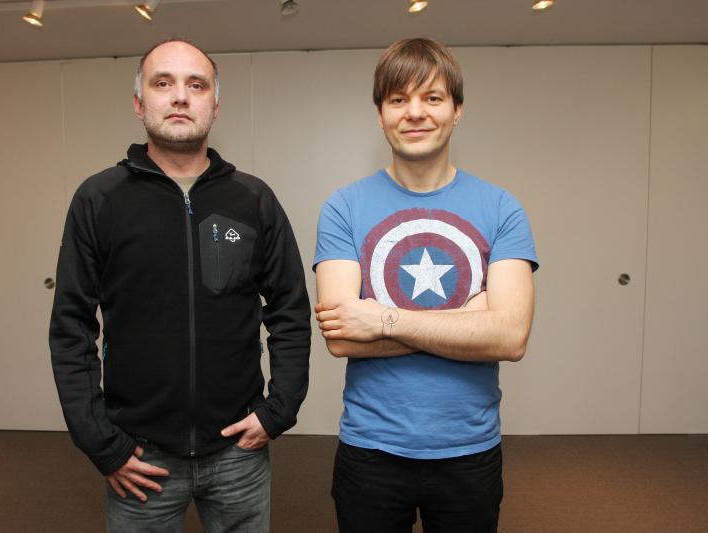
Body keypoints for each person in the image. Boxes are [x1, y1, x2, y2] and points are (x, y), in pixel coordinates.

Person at [49, 38, 311, 533]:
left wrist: (278, 410)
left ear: (215, 105)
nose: (180, 96)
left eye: (196, 85)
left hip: (238, 450)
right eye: (162, 83)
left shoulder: (253, 199)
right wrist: (102, 444)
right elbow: (71, 328)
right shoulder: (99, 200)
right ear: (139, 102)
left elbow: (290, 310)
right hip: (139, 455)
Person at [313, 38, 539, 533]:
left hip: (470, 451)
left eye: (432, 98)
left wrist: (382, 319)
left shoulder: (502, 209)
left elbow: (510, 338)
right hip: (370, 450)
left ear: (457, 110)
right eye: (398, 99)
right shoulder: (344, 208)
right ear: (380, 114)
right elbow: (342, 337)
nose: (415, 113)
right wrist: (470, 320)